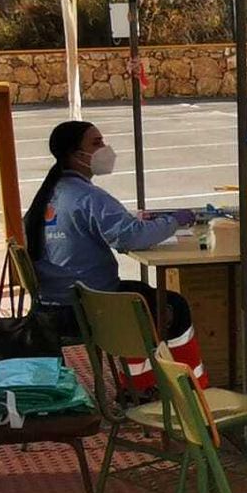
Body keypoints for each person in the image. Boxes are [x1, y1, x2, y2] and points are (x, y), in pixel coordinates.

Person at [24, 120, 205, 389]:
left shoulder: (49, 194)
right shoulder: (88, 197)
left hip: (50, 306)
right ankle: (187, 389)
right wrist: (173, 221)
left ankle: (141, 381)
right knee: (172, 307)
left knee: (143, 292)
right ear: (75, 154)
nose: (105, 149)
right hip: (86, 308)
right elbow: (132, 236)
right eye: (96, 143)